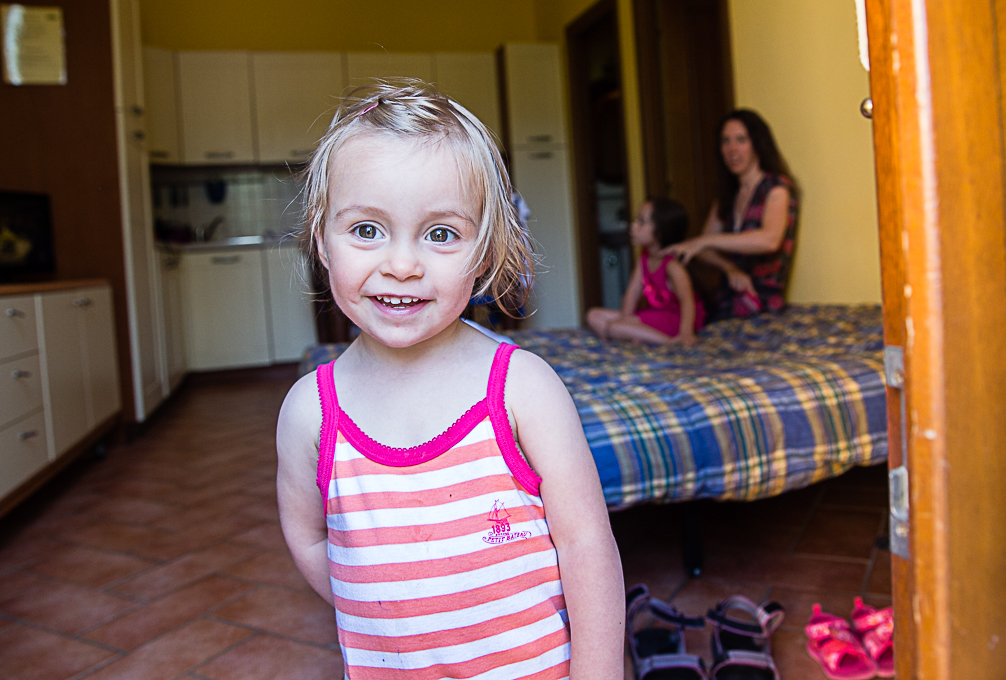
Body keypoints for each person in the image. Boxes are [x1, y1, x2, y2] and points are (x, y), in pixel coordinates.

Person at [275, 81, 624, 680]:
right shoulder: (310, 411)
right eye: (366, 230)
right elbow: (310, 542)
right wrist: (392, 612)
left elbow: (587, 546)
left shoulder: (522, 389)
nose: (401, 265)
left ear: (484, 252)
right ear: (322, 241)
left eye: (440, 234)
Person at [664, 109, 798, 318]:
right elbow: (703, 249)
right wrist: (728, 268)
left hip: (762, 302)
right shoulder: (728, 193)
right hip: (727, 299)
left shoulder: (776, 188)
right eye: (726, 141)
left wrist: (705, 241)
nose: (732, 149)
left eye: (741, 140)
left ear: (756, 144)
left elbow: (770, 240)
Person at [585, 198, 704, 345]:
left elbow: (687, 301)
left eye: (641, 222)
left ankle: (669, 343)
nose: (633, 225)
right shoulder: (645, 256)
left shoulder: (672, 266)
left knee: (614, 327)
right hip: (654, 315)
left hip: (676, 319)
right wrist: (625, 320)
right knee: (593, 315)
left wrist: (686, 333)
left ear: (660, 231)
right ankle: (635, 336)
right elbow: (633, 291)